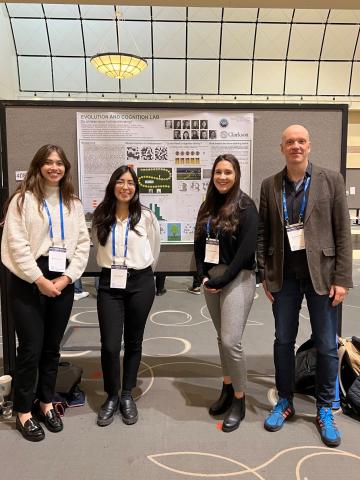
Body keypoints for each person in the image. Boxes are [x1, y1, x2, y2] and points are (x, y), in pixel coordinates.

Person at [257, 125, 353, 448]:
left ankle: (325, 408)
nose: (295, 146)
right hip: (283, 277)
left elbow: (343, 233)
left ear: (309, 146)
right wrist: (265, 274)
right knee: (283, 341)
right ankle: (284, 400)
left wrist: (342, 278)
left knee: (326, 344)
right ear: (281, 148)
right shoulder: (270, 185)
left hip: (323, 277)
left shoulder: (332, 180)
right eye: (289, 142)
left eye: (301, 141)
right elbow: (263, 235)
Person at [1, 144, 90, 442]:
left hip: (61, 279)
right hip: (28, 279)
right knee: (30, 349)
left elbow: (83, 244)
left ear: (65, 168)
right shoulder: (22, 200)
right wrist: (39, 279)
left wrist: (67, 278)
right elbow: (16, 244)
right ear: (38, 166)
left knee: (52, 347)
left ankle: (46, 401)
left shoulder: (72, 203)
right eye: (48, 162)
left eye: (59, 163)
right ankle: (24, 411)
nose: (55, 167)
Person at [194, 154, 258, 432]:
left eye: (228, 172)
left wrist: (223, 279)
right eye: (218, 172)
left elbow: (245, 253)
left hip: (238, 277)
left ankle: (240, 400)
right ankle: (228, 388)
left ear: (236, 175)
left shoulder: (246, 206)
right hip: (213, 279)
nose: (222, 177)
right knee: (222, 338)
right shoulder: (207, 206)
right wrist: (203, 274)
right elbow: (198, 242)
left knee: (232, 341)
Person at [92, 165, 160, 427]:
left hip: (140, 282)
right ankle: (111, 395)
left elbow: (155, 247)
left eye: (130, 183)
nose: (125, 186)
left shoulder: (145, 216)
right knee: (109, 344)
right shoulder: (102, 215)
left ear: (136, 188)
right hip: (109, 283)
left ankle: (127, 393)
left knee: (134, 341)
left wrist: (141, 272)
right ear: (112, 185)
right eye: (120, 181)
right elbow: (96, 246)